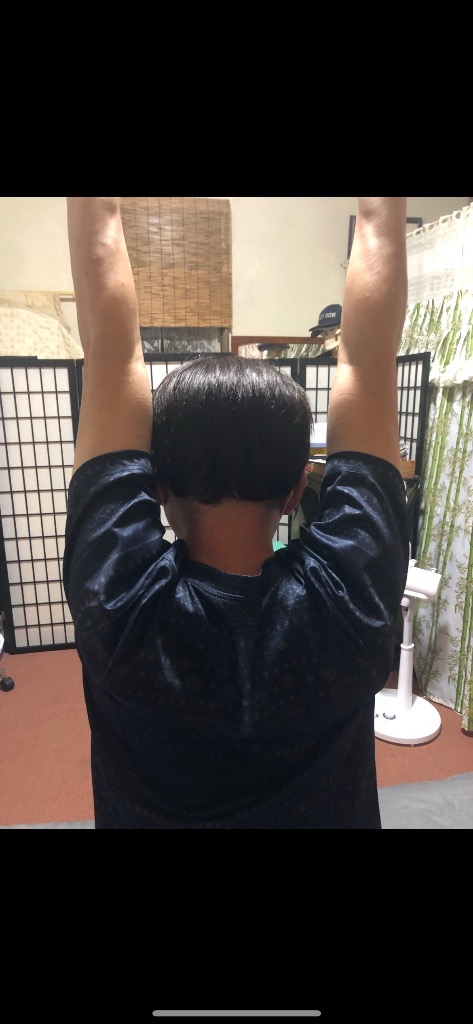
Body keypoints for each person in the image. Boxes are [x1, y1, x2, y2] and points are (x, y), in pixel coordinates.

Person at [63, 197, 409, 829]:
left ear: (156, 486)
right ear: (297, 490)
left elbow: (112, 357)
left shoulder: (119, 608)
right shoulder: (351, 603)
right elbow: (367, 361)